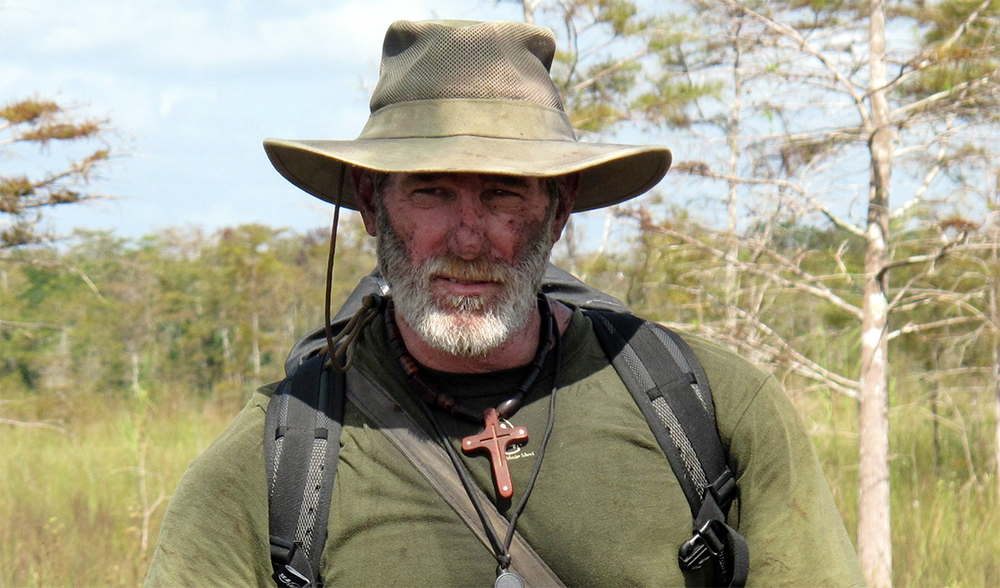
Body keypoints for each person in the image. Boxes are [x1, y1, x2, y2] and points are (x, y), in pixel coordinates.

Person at [145, 19, 865, 588]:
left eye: (503, 194)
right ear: (370, 202)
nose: (468, 239)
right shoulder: (274, 461)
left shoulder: (711, 412)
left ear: (560, 207)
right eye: (431, 192)